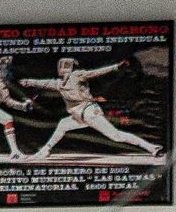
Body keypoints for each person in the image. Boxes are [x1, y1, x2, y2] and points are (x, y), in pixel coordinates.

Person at [25, 55, 162, 160]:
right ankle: (45, 150)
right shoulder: (59, 84)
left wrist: (115, 67)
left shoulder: (77, 75)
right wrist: (28, 82)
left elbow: (96, 72)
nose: (64, 69)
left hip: (89, 112)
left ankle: (151, 147)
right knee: (63, 124)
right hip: (79, 116)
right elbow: (43, 83)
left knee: (116, 136)